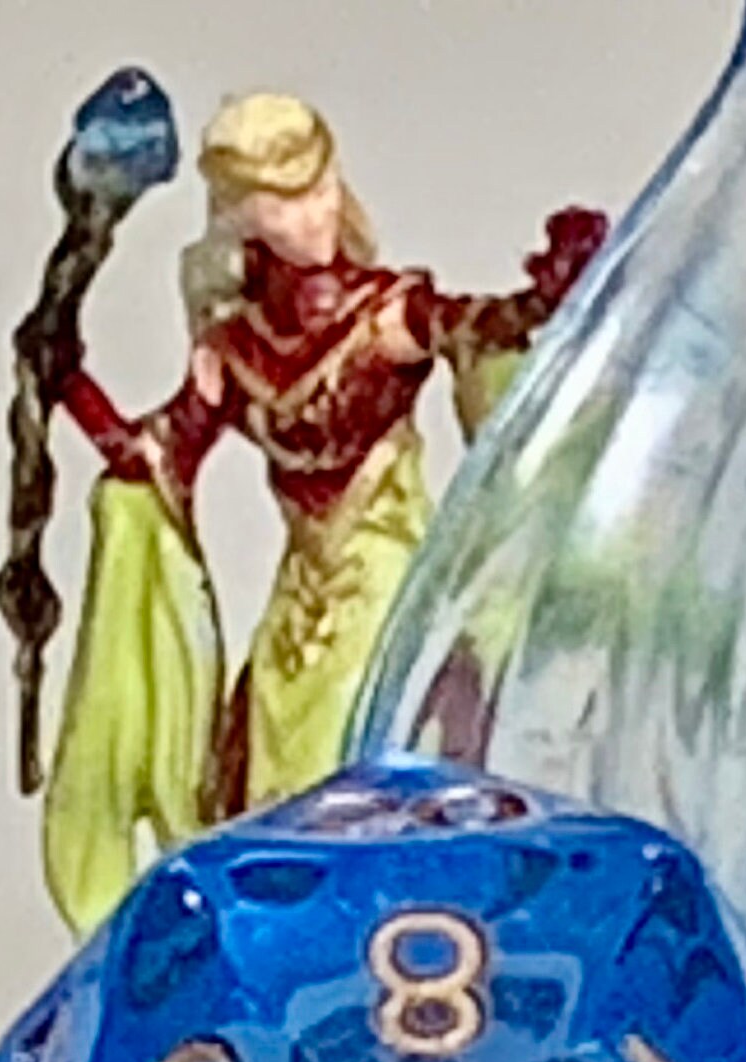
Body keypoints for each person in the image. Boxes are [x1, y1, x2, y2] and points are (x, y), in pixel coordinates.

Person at [38, 90, 606, 933]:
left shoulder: (386, 316)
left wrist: (551, 293)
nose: (314, 213)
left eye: (320, 185)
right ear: (243, 216)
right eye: (284, 199)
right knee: (265, 783)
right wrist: (67, 378)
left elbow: (481, 326)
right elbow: (153, 458)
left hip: (390, 592)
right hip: (297, 615)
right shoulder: (233, 349)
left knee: (370, 765)